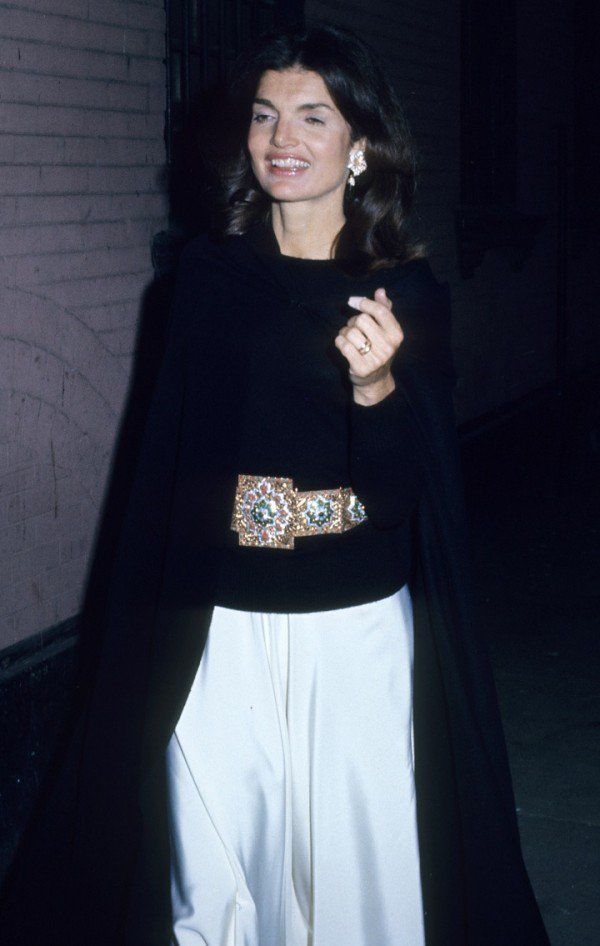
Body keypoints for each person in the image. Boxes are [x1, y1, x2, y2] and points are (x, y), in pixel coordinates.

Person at [0, 23, 550, 946]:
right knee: (219, 872)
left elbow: (409, 503)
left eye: (311, 116)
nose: (282, 139)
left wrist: (377, 389)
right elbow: (166, 469)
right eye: (264, 116)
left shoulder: (405, 295)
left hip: (351, 632)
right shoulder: (205, 281)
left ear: (360, 142)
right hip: (222, 628)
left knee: (351, 875)